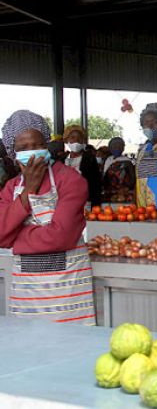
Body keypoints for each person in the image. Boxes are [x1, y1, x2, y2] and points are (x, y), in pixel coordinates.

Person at [0, 110, 95, 325]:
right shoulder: (11, 187)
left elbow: (61, 237)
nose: (31, 152)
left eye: (37, 145)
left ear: (47, 145)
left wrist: (16, 237)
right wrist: (29, 189)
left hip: (67, 294)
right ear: (13, 153)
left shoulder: (71, 180)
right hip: (26, 293)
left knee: (70, 349)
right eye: (23, 148)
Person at [63, 125, 102, 207]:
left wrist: (95, 203)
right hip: (64, 201)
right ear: (66, 140)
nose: (76, 141)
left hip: (85, 201)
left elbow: (96, 183)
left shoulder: (89, 159)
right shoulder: (62, 159)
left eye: (79, 138)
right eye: (72, 138)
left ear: (83, 141)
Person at [103, 137, 136, 203]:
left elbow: (133, 178)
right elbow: (104, 177)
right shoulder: (108, 160)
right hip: (110, 193)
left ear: (123, 148)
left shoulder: (127, 161)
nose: (117, 148)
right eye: (114, 146)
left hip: (124, 193)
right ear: (110, 147)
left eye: (119, 146)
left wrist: (127, 188)